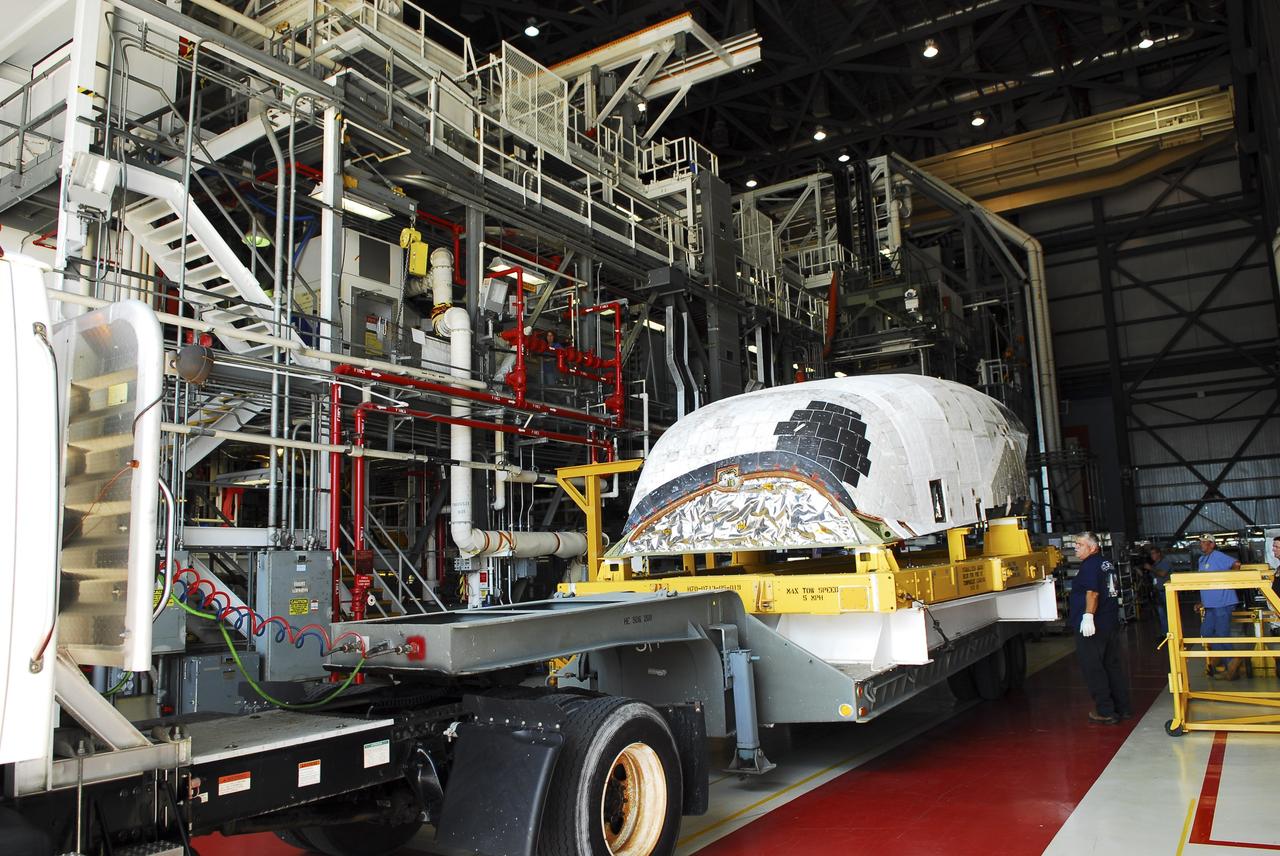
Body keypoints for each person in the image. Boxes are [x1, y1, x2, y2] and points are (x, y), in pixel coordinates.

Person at [1069, 533, 1132, 724]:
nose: (1076, 548)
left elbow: (1093, 593)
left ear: (1093, 547)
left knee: (1093, 668)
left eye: (1079, 545)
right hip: (1109, 622)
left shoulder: (1090, 565)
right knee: (1111, 666)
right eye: (1075, 545)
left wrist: (1088, 617)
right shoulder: (1106, 563)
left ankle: (1105, 710)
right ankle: (1122, 707)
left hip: (1093, 626)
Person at [1196, 534, 1243, 680]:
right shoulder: (1202, 559)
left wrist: (1230, 578)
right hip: (1210, 604)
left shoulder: (1218, 556)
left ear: (1212, 544)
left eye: (1204, 542)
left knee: (1222, 634)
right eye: (1201, 542)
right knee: (1206, 632)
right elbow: (1204, 582)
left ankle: (1231, 665)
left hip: (1222, 602)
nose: (1201, 544)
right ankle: (1229, 660)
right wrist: (1202, 601)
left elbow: (1236, 564)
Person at [1143, 546, 1173, 637]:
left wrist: (1150, 568)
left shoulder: (1165, 562)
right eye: (1151, 554)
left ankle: (1171, 632)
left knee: (1169, 613)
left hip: (1166, 592)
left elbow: (1162, 573)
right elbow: (1152, 577)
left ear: (1159, 553)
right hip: (1158, 592)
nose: (1152, 556)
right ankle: (1165, 633)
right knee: (1161, 614)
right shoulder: (1155, 565)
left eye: (1153, 553)